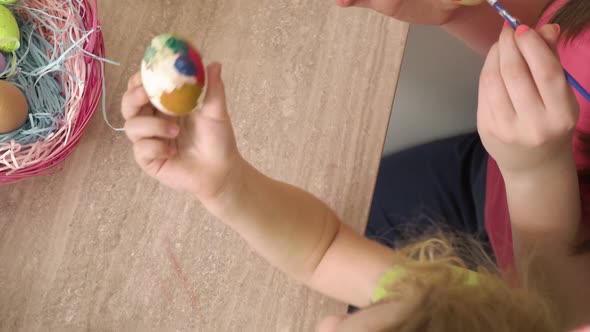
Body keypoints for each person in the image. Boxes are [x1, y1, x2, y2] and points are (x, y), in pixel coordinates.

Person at [120, 0, 590, 330]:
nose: (328, 321)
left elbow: (323, 252)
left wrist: (224, 186)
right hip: (499, 189)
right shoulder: (472, 318)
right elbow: (322, 251)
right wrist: (456, 11)